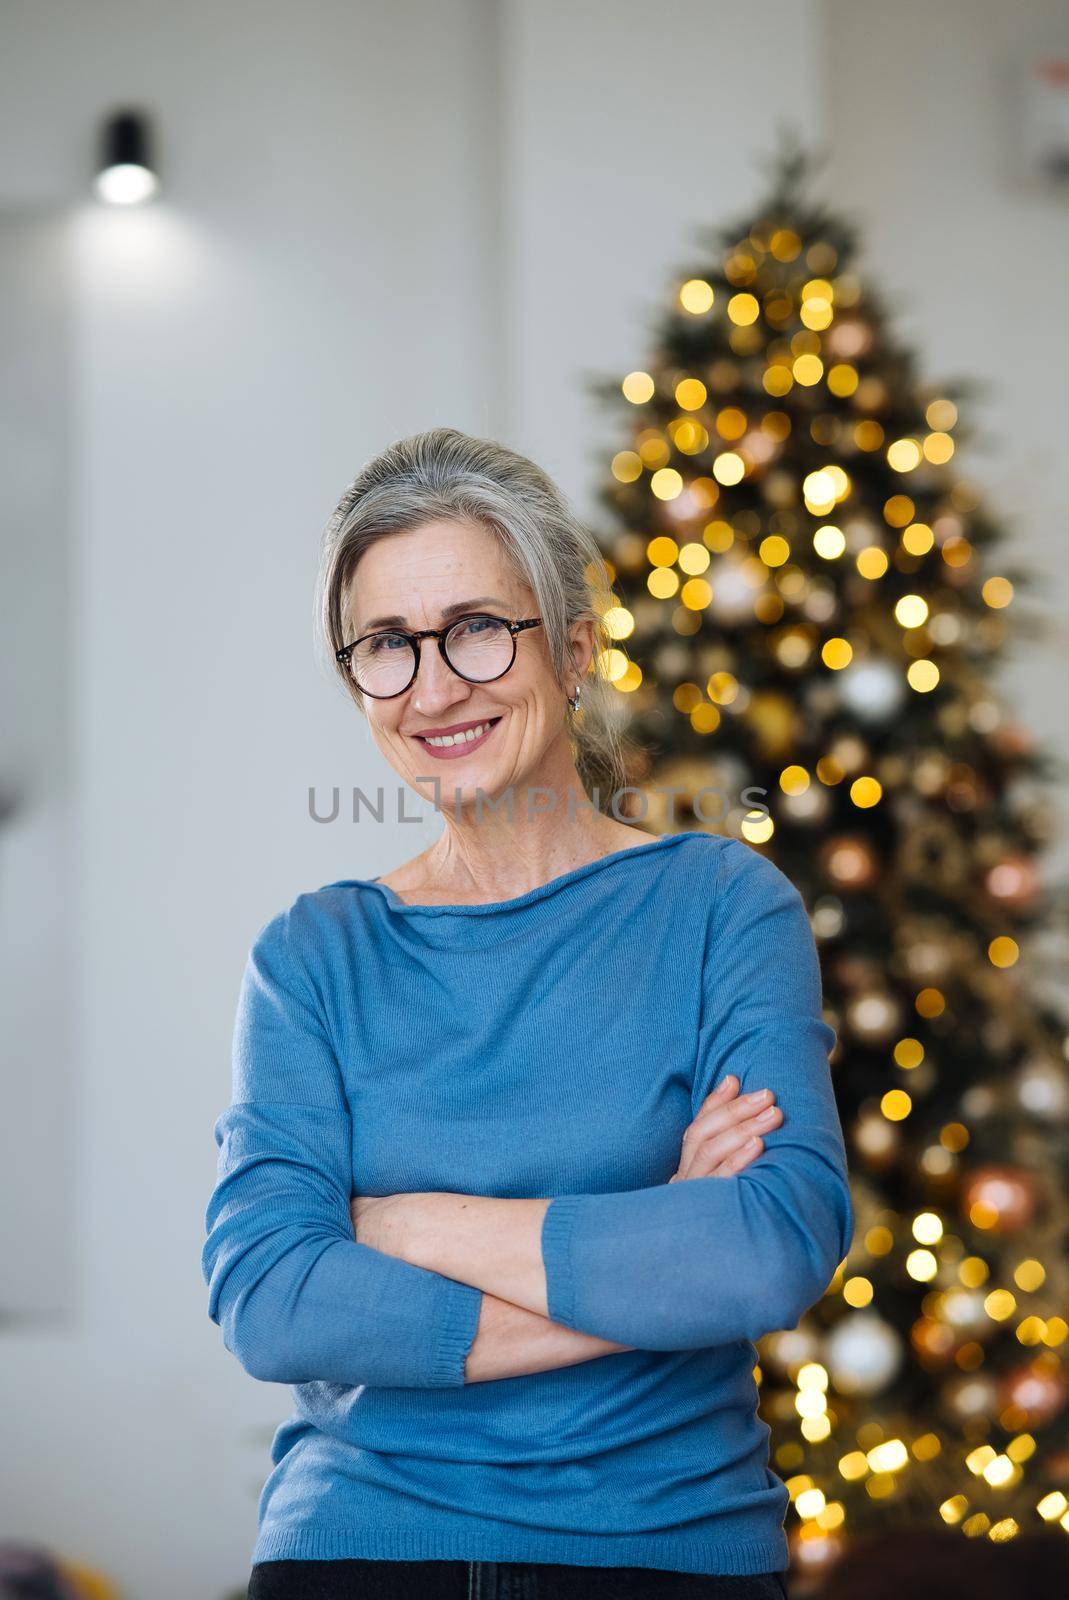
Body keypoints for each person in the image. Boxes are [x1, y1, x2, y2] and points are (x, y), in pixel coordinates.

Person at [201, 428, 854, 1600]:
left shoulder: (718, 907)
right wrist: (653, 1239)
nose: (435, 685)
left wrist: (401, 1223)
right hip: (358, 1545)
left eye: (476, 628)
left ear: (574, 646)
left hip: (665, 1546)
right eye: (386, 646)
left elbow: (769, 1244)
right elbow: (271, 1300)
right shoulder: (312, 955)